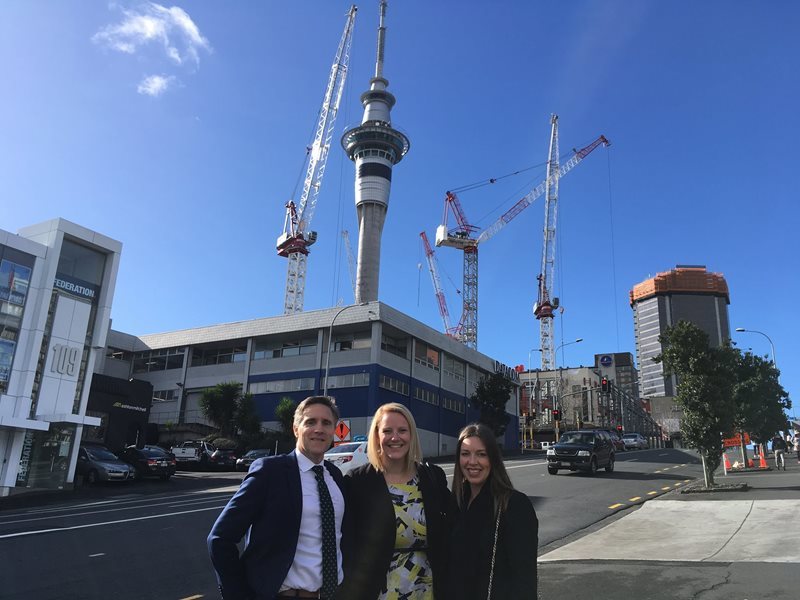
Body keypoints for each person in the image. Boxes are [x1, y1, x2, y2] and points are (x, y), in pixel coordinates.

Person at [208, 396, 346, 600]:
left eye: (326, 423)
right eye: (310, 422)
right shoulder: (270, 472)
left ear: (334, 430)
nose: (319, 429)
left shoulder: (335, 475)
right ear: (296, 429)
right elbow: (220, 539)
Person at [340, 402, 451, 600]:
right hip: (377, 591)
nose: (395, 437)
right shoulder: (357, 481)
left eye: (402, 430)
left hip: (428, 589)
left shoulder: (432, 477)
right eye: (387, 431)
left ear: (411, 435)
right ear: (376, 436)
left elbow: (452, 529)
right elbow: (347, 545)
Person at [447, 423, 538, 600]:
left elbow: (524, 579)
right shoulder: (455, 503)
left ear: (493, 459)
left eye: (481, 454)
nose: (472, 462)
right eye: (465, 454)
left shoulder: (514, 505)